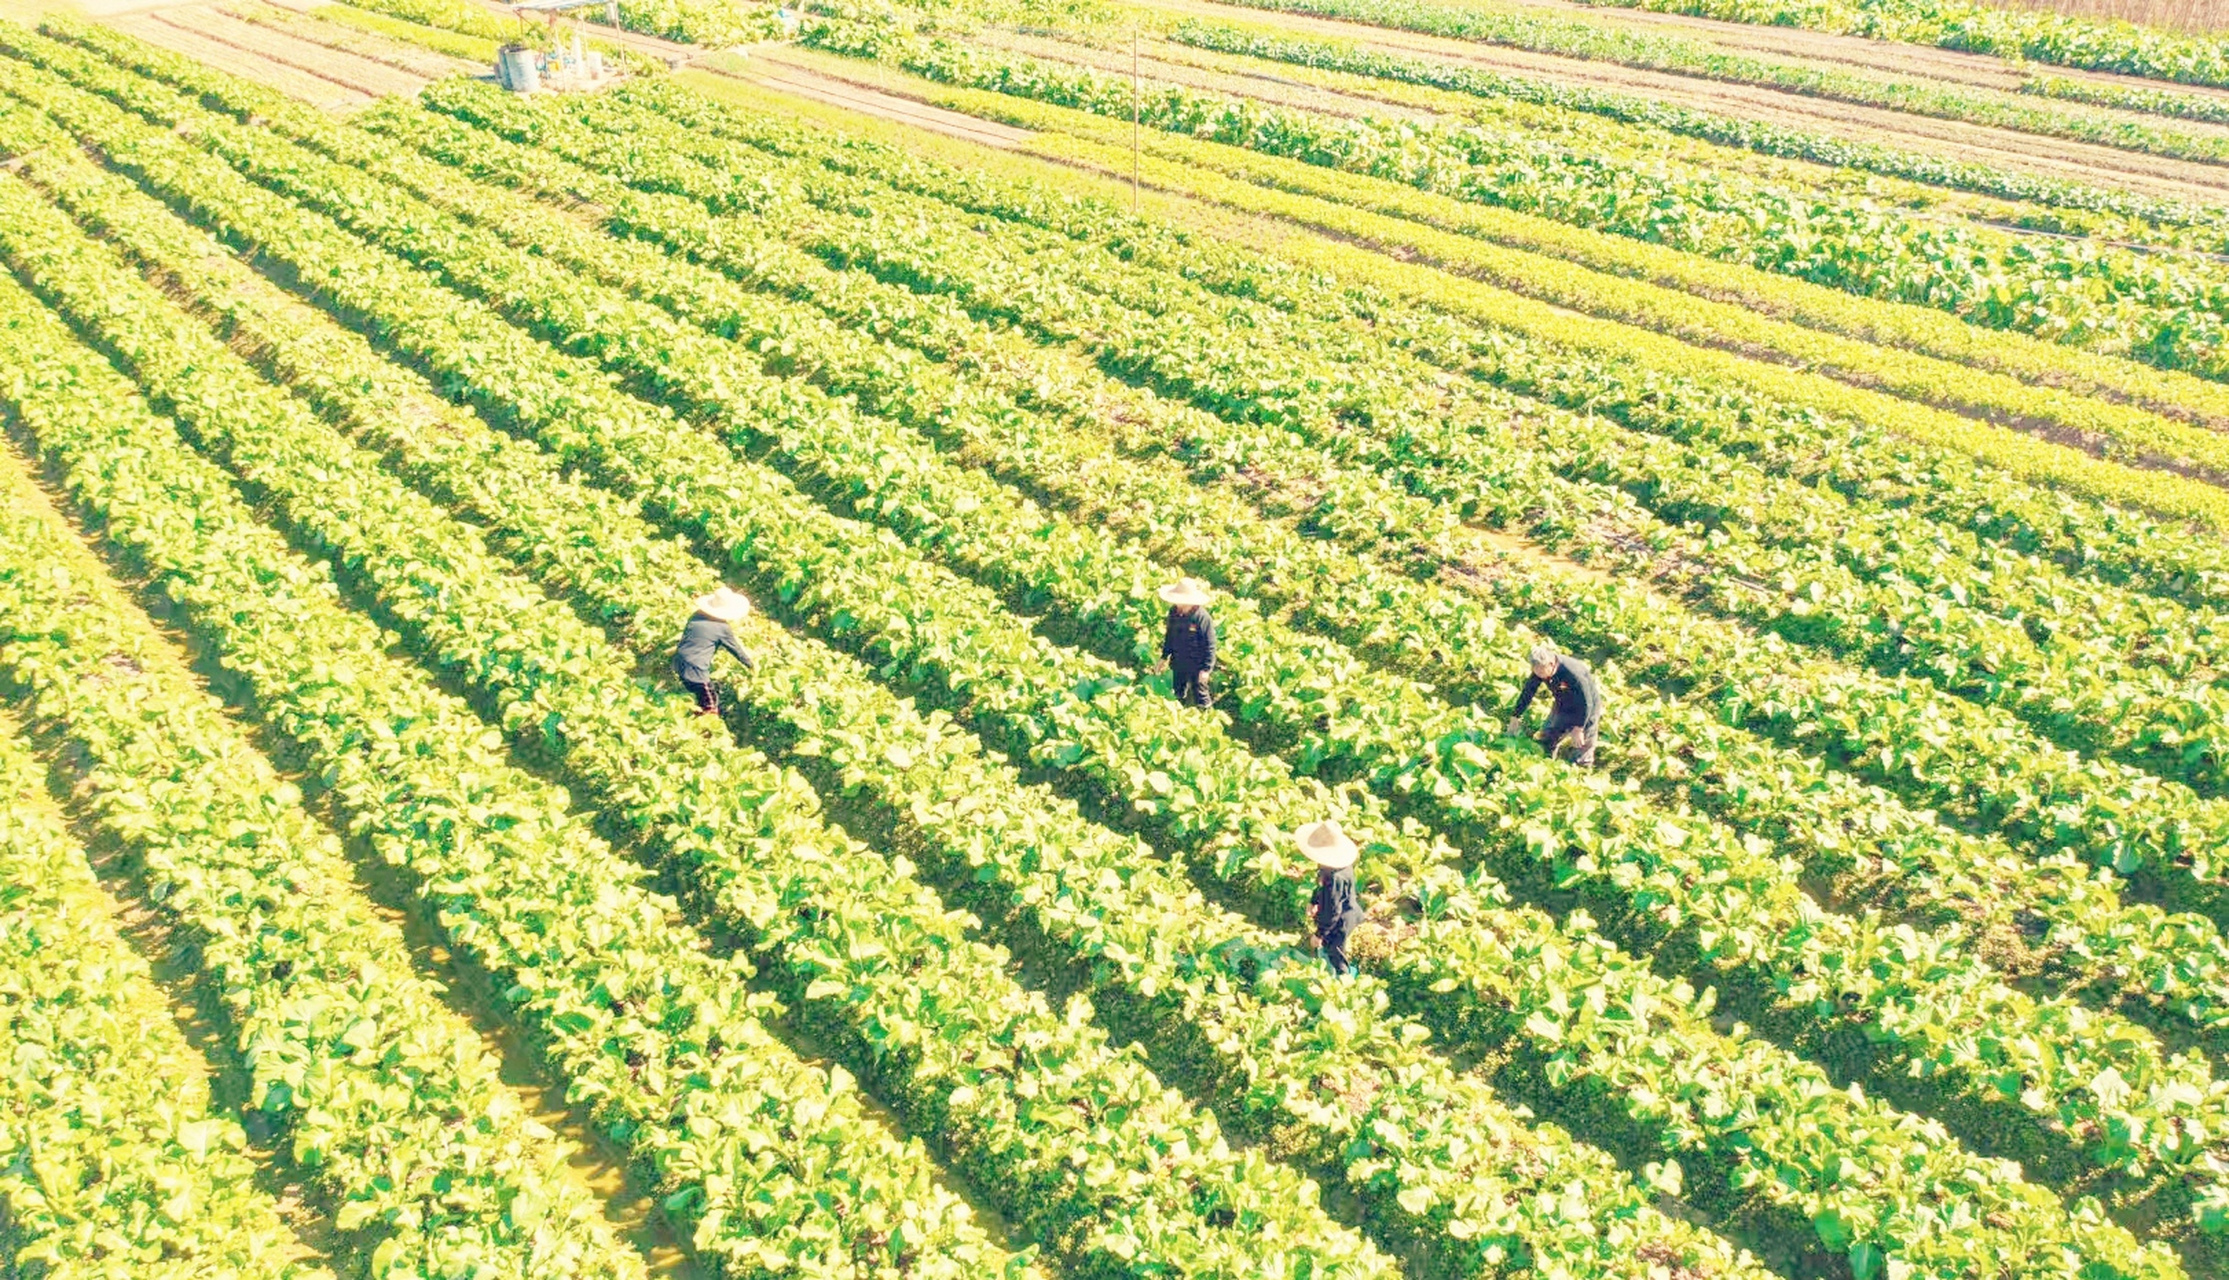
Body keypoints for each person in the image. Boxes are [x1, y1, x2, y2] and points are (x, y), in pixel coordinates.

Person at [1505, 642, 1603, 767]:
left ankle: (1581, 769)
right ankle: (1547, 762)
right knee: (1549, 735)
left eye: (1541, 672)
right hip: (1563, 702)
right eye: (1536, 671)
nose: (1539, 675)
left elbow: (1586, 701)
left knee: (1582, 743)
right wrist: (1516, 716)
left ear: (1551, 665)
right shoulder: (1540, 669)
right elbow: (1528, 691)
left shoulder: (1573, 673)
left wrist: (1579, 728)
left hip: (1587, 708)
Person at [672, 587, 756, 716]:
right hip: (696, 669)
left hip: (679, 662)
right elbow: (736, 649)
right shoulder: (722, 628)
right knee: (710, 705)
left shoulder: (697, 615)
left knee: (697, 694)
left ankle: (694, 712)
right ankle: (707, 729)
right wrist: (751, 665)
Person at [1298, 819, 1364, 978]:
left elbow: (1333, 911)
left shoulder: (1335, 878)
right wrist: (1314, 901)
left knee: (1335, 951)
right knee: (1331, 945)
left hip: (1344, 918)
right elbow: (1322, 889)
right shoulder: (1333, 867)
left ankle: (1345, 979)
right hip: (1347, 910)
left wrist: (1319, 935)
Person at [1158, 577, 1217, 709]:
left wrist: (1206, 669)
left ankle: (1207, 716)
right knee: (1178, 689)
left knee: (1200, 692)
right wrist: (1163, 657)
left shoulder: (1202, 617)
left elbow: (1210, 645)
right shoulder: (1174, 612)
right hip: (1179, 660)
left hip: (1197, 663)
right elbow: (1170, 636)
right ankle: (1179, 711)